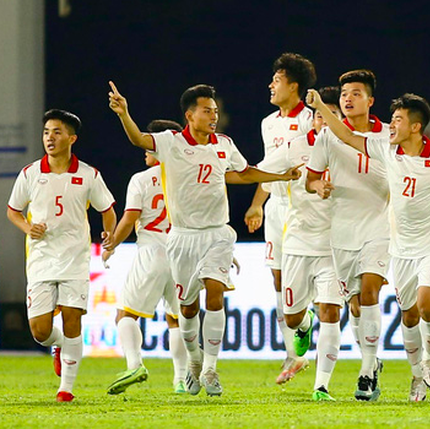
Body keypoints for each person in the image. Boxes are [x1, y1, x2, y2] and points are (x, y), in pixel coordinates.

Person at [108, 82, 302, 397]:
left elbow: (243, 172)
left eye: (215, 111)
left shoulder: (223, 143)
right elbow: (138, 139)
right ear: (190, 114)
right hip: (182, 237)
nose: (213, 116)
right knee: (186, 310)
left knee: (215, 294)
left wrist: (280, 177)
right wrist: (124, 113)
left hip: (218, 233)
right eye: (206, 110)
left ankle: (211, 368)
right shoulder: (170, 142)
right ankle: (195, 362)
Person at [306, 90, 430, 402]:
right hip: (401, 249)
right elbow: (348, 137)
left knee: (426, 305)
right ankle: (417, 375)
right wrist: (322, 107)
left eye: (398, 120)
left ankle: (429, 357)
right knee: (408, 316)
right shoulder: (385, 148)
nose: (391, 125)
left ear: (415, 127)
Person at [6, 109, 117, 402]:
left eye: (56, 132)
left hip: (75, 258)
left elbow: (107, 210)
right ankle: (57, 346)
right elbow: (12, 211)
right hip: (41, 258)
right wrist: (29, 228)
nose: (50, 137)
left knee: (72, 319)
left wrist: (108, 235)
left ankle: (65, 389)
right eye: (46, 132)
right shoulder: (30, 173)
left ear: (72, 138)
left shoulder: (88, 174)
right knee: (40, 331)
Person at [305, 70, 391, 401]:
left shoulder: (386, 135)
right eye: (344, 94)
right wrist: (318, 185)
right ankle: (372, 361)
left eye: (355, 93)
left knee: (370, 292)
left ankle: (367, 370)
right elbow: (309, 179)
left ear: (370, 100)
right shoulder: (327, 138)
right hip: (342, 231)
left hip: (379, 227)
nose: (347, 98)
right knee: (356, 305)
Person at [258, 86, 344, 401]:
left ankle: (321, 385)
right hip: (297, 242)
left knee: (330, 311)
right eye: (321, 115)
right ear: (314, 119)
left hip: (335, 246)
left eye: (333, 115)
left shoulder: (352, 150)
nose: (325, 121)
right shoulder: (294, 148)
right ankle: (303, 325)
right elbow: (262, 174)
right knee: (293, 316)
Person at [244, 53, 317, 384]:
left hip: (305, 206)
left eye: (277, 80)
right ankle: (294, 350)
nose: (271, 85)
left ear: (294, 86)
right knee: (278, 278)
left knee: (304, 277)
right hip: (276, 206)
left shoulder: (310, 120)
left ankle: (306, 335)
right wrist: (258, 203)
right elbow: (269, 165)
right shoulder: (267, 122)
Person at [102, 119, 188, 395]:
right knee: (177, 319)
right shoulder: (186, 175)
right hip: (184, 252)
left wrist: (112, 242)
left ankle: (135, 364)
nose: (145, 150)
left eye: (150, 144)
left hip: (152, 251)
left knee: (125, 313)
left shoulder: (141, 179)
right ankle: (181, 380)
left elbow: (130, 219)